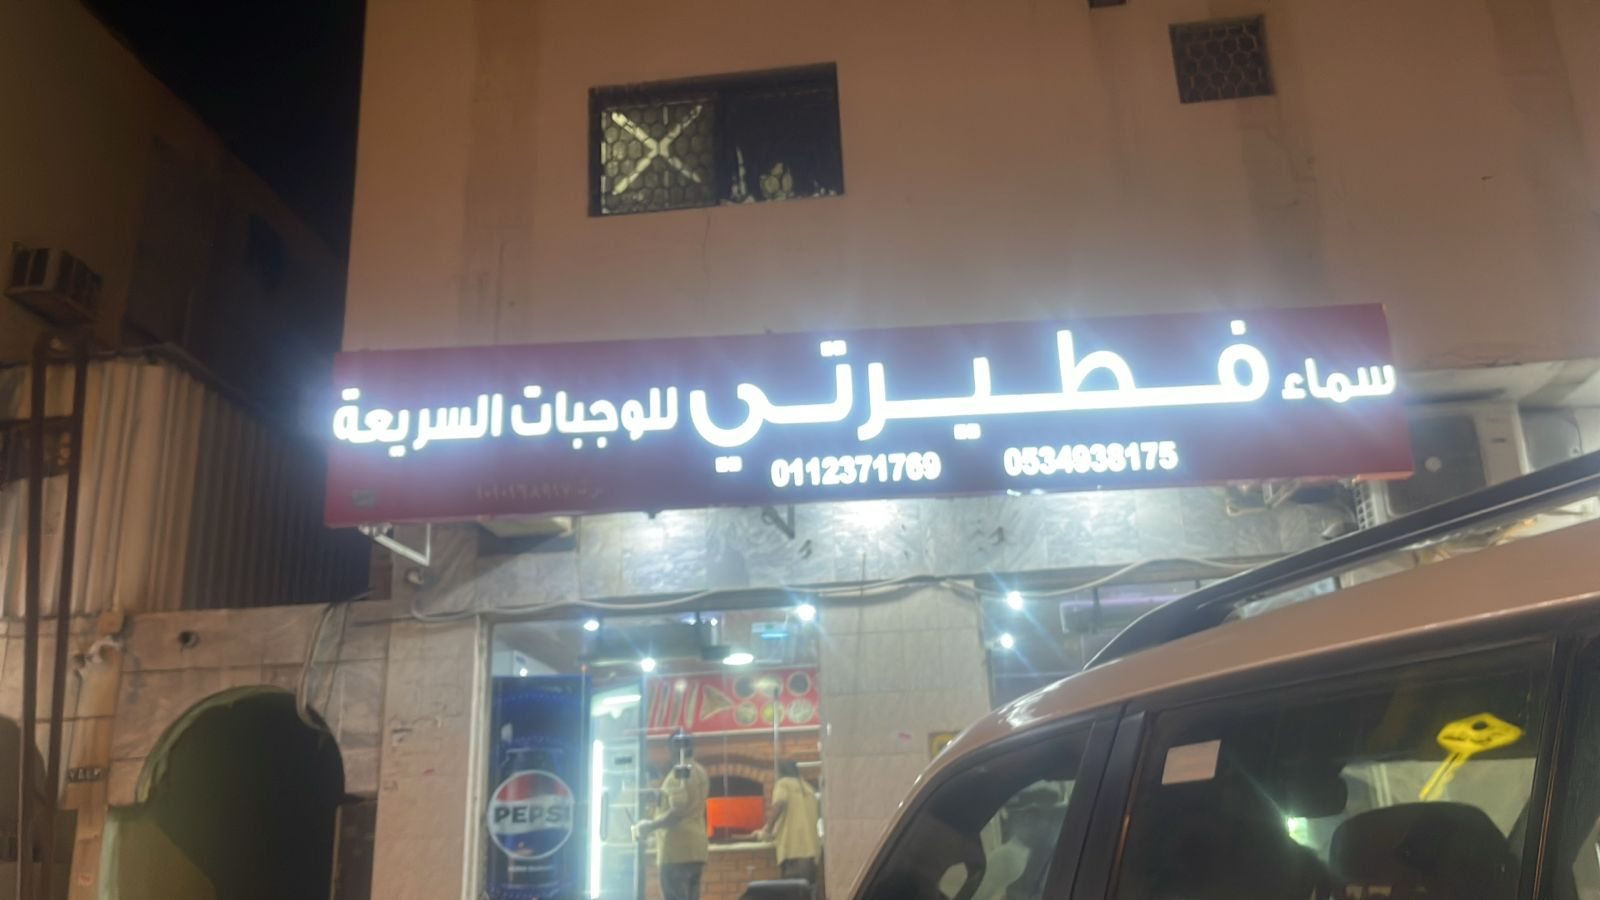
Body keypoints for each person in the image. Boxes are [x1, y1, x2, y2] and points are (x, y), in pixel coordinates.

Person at [634, 730, 710, 900]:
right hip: (697, 849)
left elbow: (678, 811)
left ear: (673, 749)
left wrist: (650, 826)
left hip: (676, 850)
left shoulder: (678, 773)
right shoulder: (700, 771)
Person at [760, 760, 821, 886]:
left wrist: (768, 829)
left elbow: (779, 804)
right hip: (813, 852)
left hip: (793, 850)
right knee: (809, 891)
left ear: (781, 772)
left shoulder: (783, 784)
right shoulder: (808, 788)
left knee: (793, 891)